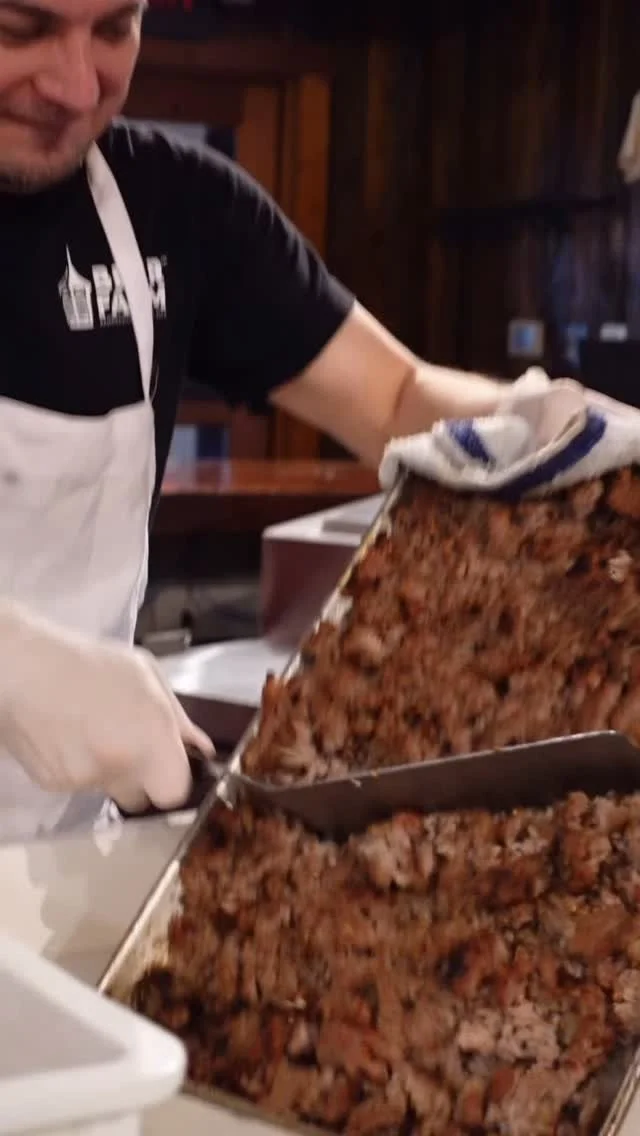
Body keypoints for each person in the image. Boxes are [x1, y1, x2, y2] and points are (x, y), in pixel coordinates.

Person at [0, 0, 506, 844]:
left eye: (115, 29)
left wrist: (542, 426)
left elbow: (395, 399)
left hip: (57, 861)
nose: (77, 85)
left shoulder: (177, 208)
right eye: (21, 31)